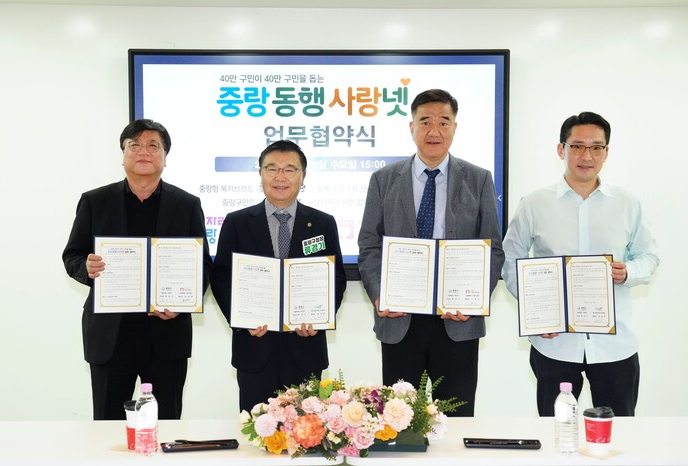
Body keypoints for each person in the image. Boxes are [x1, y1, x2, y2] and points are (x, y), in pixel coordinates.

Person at [502, 111, 659, 416]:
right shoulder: (535, 203)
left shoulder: (627, 203)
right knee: (555, 430)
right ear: (561, 149)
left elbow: (649, 256)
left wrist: (628, 271)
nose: (587, 156)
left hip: (615, 345)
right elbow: (511, 261)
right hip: (555, 344)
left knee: (618, 432)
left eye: (596, 147)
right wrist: (537, 314)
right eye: (577, 146)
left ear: (606, 152)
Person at [357, 89, 504, 416]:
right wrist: (380, 294)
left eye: (443, 122)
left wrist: (474, 300)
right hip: (399, 318)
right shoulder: (383, 180)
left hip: (457, 320)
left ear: (455, 128)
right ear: (412, 128)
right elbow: (369, 244)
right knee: (397, 419)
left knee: (457, 415)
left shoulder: (478, 179)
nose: (434, 130)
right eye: (425, 122)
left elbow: (492, 248)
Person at [62, 119, 212, 420]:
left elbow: (203, 265)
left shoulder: (187, 204)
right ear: (123, 154)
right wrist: (86, 267)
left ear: (165, 157)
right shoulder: (94, 201)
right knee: (107, 423)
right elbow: (72, 256)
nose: (144, 151)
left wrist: (181, 306)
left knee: (166, 421)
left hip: (167, 333)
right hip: (110, 334)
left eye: (153, 146)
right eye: (135, 145)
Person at [210, 140, 347, 413]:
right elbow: (221, 277)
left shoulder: (323, 223)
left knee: (307, 428)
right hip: (254, 349)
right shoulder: (237, 222)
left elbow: (337, 278)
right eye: (271, 168)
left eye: (289, 169)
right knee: (257, 427)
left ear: (303, 176)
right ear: (260, 174)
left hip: (305, 348)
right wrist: (242, 321)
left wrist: (319, 319)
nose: (280, 177)